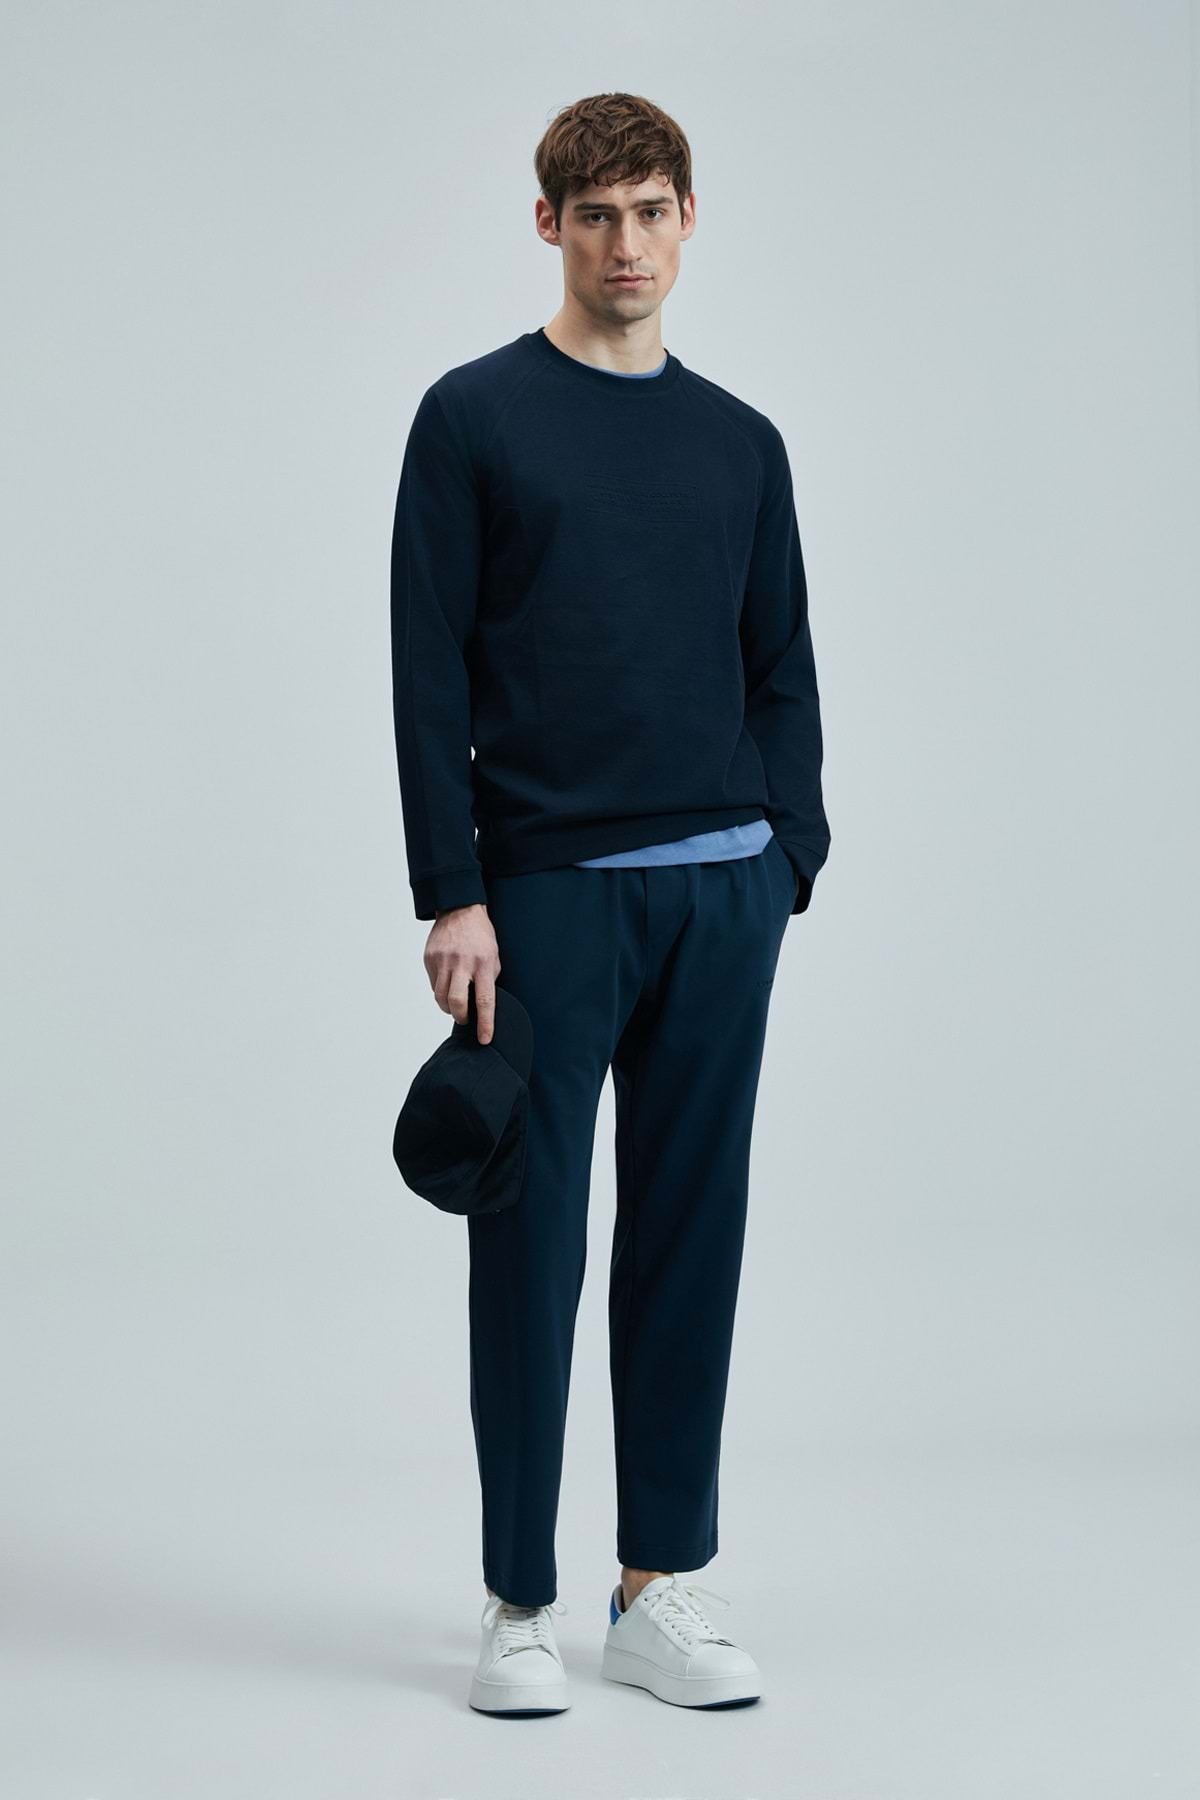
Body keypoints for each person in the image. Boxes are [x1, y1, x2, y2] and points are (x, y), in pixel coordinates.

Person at [390, 90, 831, 1716]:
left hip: (721, 892)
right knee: (531, 1243)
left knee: (690, 1239)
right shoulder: (474, 418)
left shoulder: (742, 442)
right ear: (549, 227)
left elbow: (781, 666)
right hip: (547, 902)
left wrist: (788, 856)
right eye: (596, 217)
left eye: (651, 211)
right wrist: (455, 890)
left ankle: (659, 1586)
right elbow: (426, 671)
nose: (626, 244)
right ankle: (519, 1599)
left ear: (688, 219)